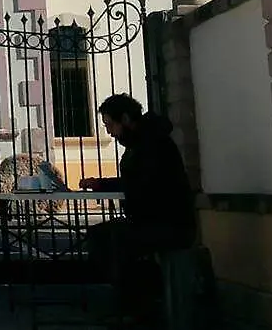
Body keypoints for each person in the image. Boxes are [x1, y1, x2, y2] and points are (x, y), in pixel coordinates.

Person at [79, 93, 196, 318]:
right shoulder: (141, 141)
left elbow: (146, 183)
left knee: (112, 242)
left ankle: (137, 306)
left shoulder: (152, 143)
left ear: (125, 118)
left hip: (169, 224)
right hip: (152, 221)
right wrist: (101, 184)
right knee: (101, 237)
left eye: (110, 124)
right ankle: (136, 302)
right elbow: (136, 181)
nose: (109, 132)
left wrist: (108, 186)